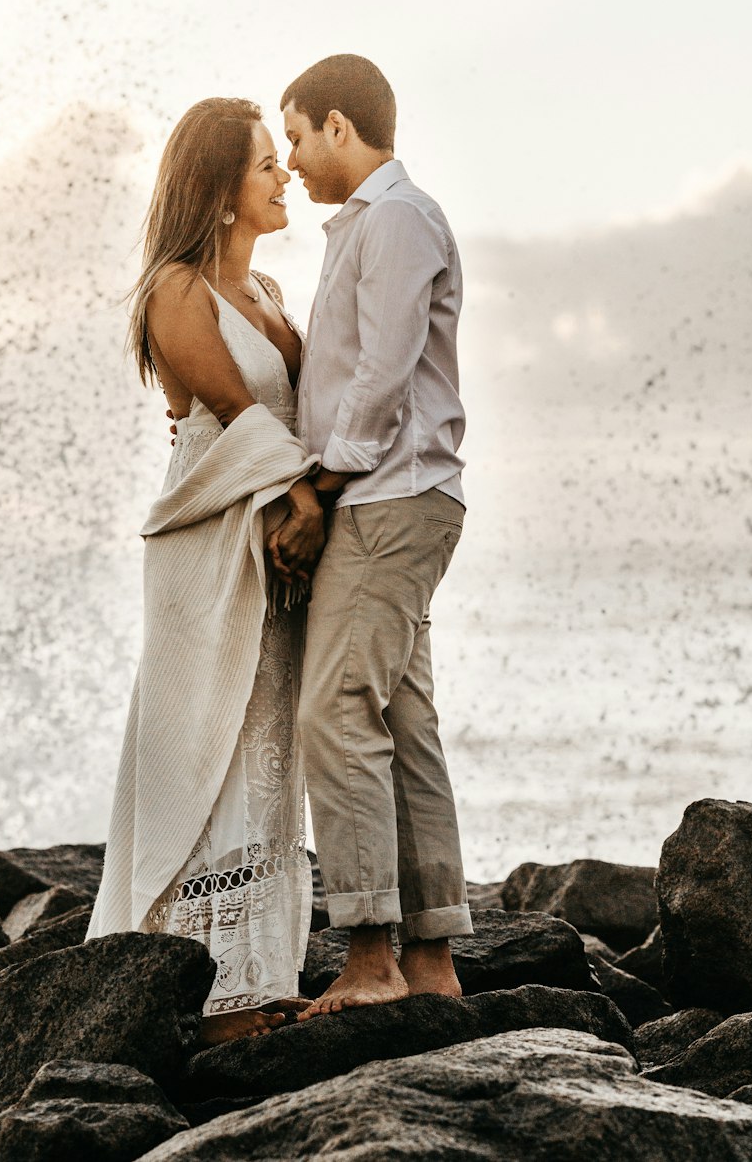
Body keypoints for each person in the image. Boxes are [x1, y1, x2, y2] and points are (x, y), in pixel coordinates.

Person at [86, 96, 326, 1046]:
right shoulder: (176, 290)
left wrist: (313, 498)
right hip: (212, 539)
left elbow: (300, 415)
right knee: (204, 739)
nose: (282, 179)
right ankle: (205, 985)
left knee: (269, 747)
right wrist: (299, 496)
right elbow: (237, 419)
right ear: (222, 192)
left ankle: (259, 974)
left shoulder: (266, 296)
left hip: (275, 540)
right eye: (265, 165)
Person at [271, 54, 473, 1016]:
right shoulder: (374, 223)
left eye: (300, 135)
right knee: (400, 720)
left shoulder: (396, 217)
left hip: (387, 498)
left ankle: (368, 956)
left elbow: (384, 373)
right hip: (395, 495)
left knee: (334, 713)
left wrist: (320, 486)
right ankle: (431, 961)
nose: (295, 159)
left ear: (341, 126)